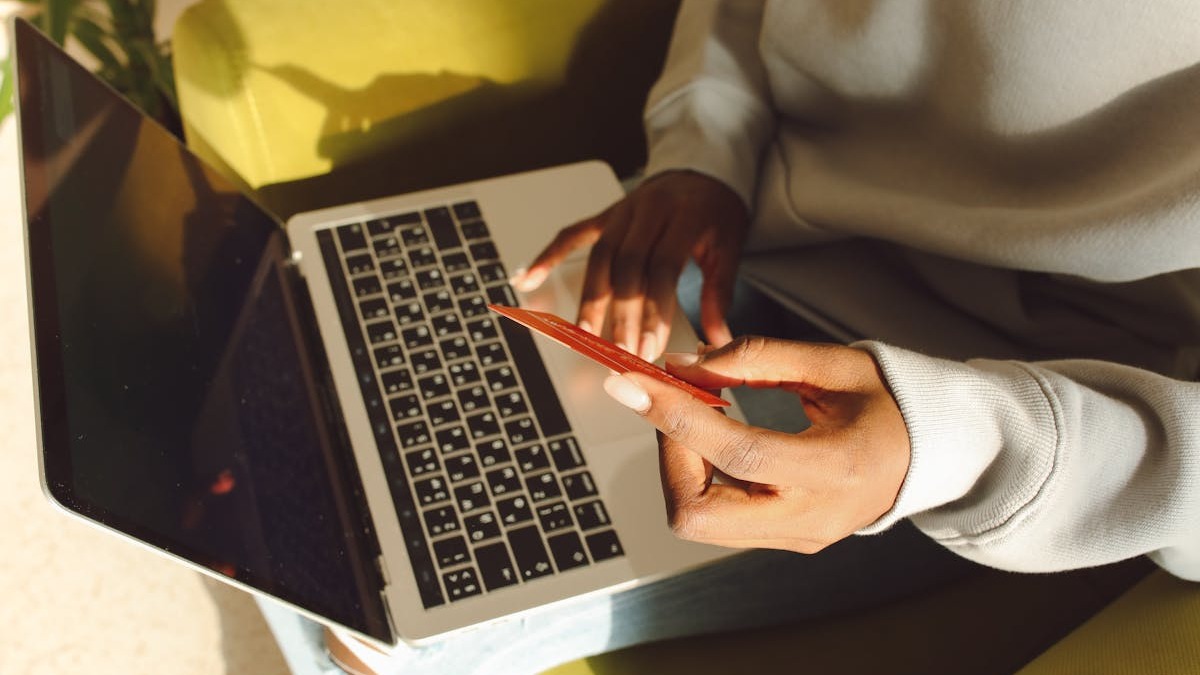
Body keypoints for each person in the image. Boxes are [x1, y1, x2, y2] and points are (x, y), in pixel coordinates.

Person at [284, 1, 1200, 672]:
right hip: (749, 235)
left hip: (1016, 426)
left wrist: (969, 445)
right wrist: (703, 152)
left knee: (377, 621)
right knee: (315, 352)